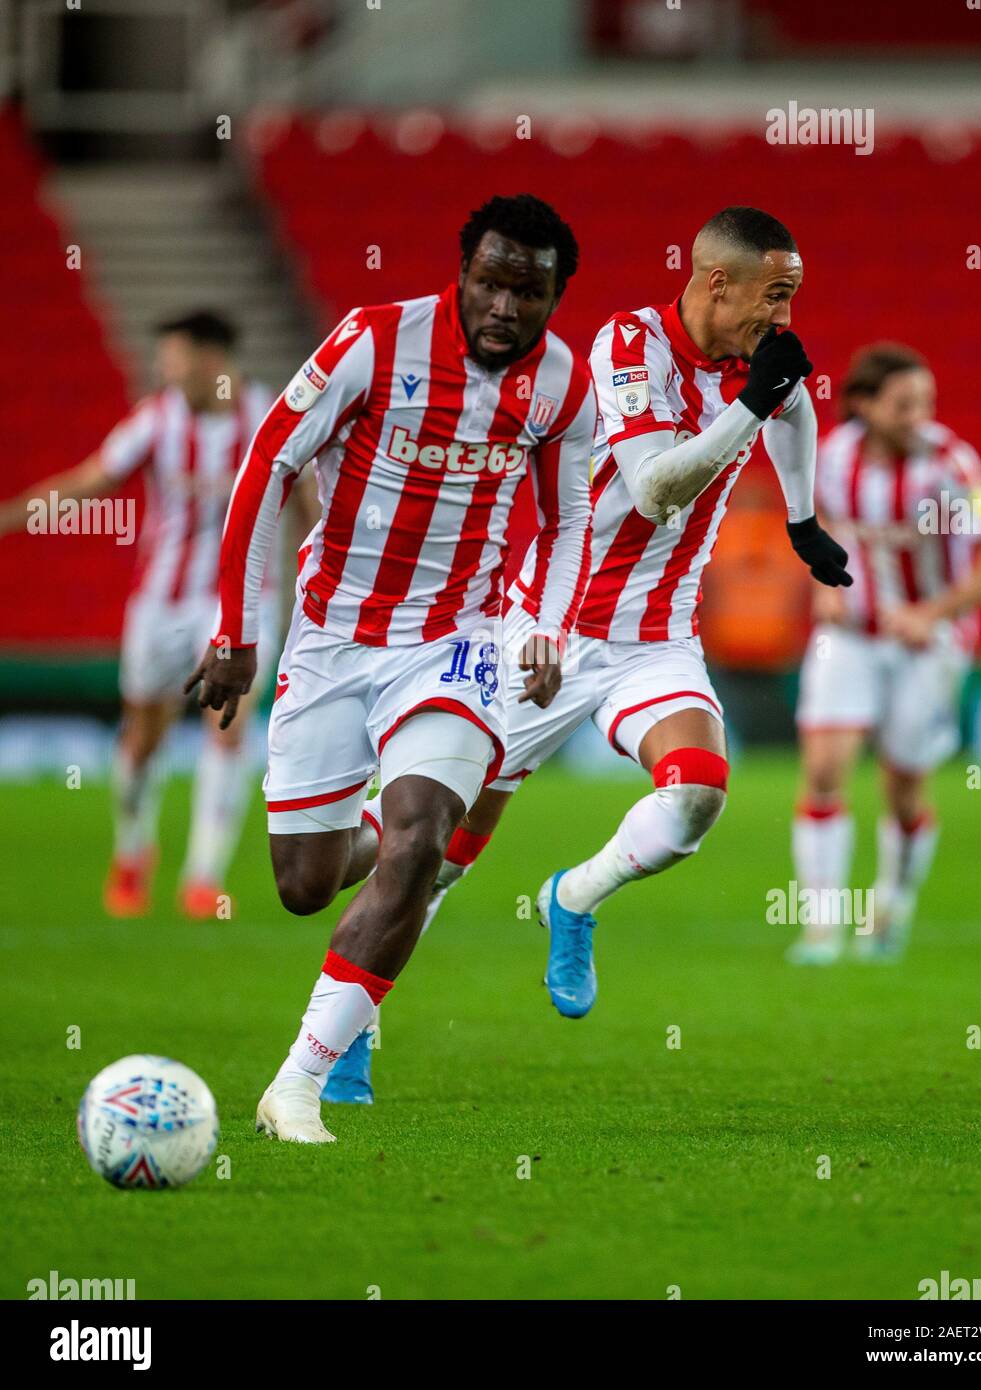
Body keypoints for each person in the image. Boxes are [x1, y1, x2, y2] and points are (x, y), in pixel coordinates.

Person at [324, 204, 852, 1103]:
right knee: (436, 851)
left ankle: (572, 897)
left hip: (656, 639)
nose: (784, 318)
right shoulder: (625, 347)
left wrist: (801, 520)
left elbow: (794, 409)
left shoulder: (757, 369)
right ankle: (345, 1037)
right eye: (775, 295)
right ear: (716, 281)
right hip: (542, 633)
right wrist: (754, 403)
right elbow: (653, 488)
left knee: (695, 794)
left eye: (793, 298)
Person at [186, 194, 596, 1142]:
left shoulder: (564, 388)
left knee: (420, 846)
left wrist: (545, 625)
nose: (504, 306)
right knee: (302, 883)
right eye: (490, 282)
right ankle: (391, 826)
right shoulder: (372, 341)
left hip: (455, 642)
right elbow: (266, 466)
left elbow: (569, 518)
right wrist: (238, 633)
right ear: (462, 272)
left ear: (552, 295)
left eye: (527, 291)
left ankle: (297, 1085)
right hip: (331, 638)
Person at [0, 310, 285, 918]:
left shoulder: (268, 417)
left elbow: (311, 499)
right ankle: (133, 850)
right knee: (143, 735)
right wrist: (14, 515)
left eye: (174, 357)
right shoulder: (158, 420)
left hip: (242, 598)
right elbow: (91, 481)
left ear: (211, 360)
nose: (164, 369)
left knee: (228, 724)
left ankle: (203, 877)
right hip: (162, 599)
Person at [788, 342, 981, 963]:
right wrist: (823, 585)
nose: (919, 415)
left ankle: (891, 905)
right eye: (903, 404)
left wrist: (932, 612)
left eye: (926, 401)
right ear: (863, 405)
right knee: (822, 771)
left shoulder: (950, 465)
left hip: (929, 645)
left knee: (902, 787)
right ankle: (821, 928)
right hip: (850, 638)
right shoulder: (832, 457)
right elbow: (820, 531)